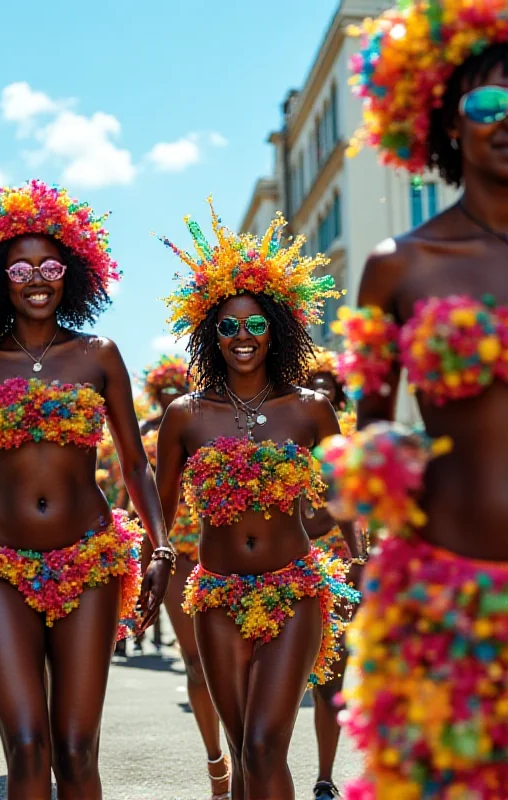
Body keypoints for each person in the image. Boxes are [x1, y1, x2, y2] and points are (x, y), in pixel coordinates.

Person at [0, 180, 173, 800]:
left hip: (88, 561)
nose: (37, 277)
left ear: (72, 274)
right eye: (21, 266)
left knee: (77, 750)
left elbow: (136, 466)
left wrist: (159, 547)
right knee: (26, 746)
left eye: (51, 265)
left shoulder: (99, 355)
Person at [320, 3, 508, 795]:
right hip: (445, 584)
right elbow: (370, 431)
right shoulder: (401, 264)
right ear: (447, 121)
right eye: (488, 102)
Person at [155, 200, 363, 800]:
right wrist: (156, 559)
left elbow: (345, 490)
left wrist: (360, 556)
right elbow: (161, 507)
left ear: (277, 328)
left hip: (294, 586)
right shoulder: (185, 416)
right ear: (209, 334)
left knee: (268, 743)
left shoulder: (309, 409)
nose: (242, 337)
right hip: (216, 591)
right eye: (227, 326)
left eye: (254, 325)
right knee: (246, 747)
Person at [140, 354, 230, 798]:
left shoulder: (211, 415)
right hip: (177, 547)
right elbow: (148, 493)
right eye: (165, 390)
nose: (172, 395)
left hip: (222, 544)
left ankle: (248, 759)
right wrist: (147, 552)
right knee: (196, 663)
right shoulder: (150, 432)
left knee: (238, 668)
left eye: (179, 386)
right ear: (156, 393)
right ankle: (217, 761)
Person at [301, 347, 360, 800]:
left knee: (331, 673)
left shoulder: (354, 440)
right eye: (314, 383)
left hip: (339, 559)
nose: (323, 389)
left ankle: (324, 776)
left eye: (331, 384)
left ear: (339, 392)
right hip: (284, 558)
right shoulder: (287, 426)